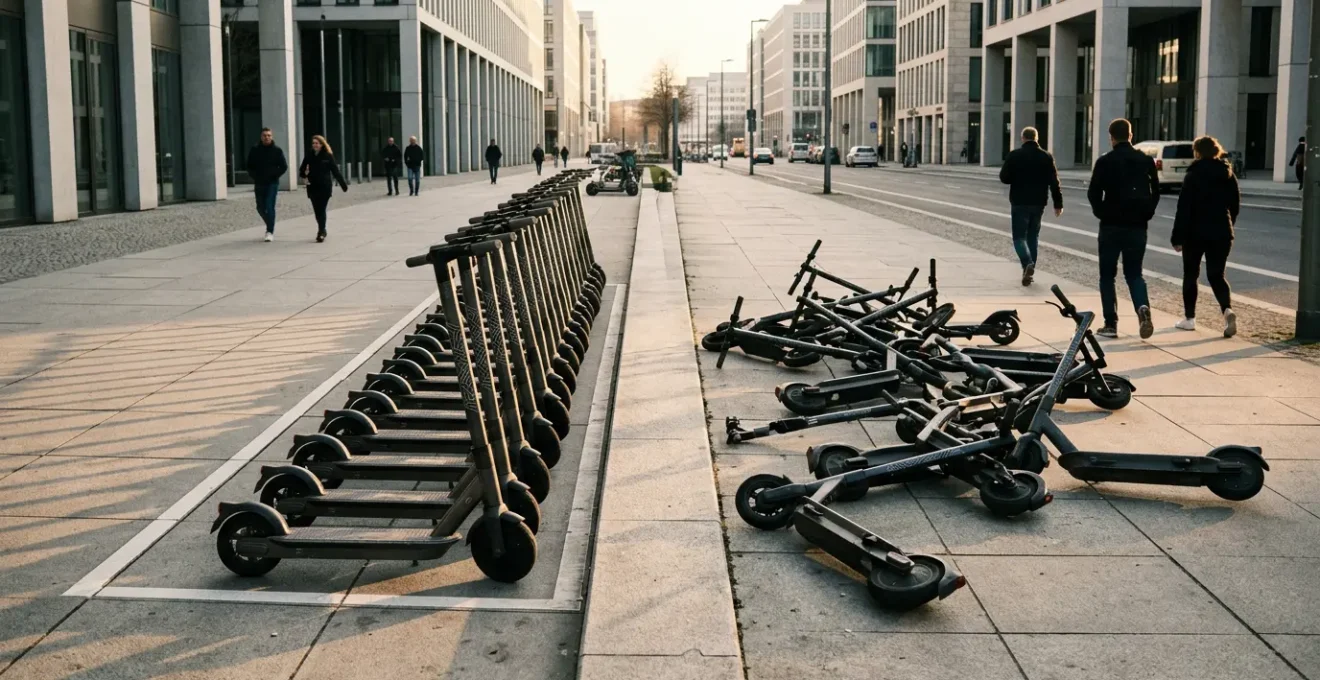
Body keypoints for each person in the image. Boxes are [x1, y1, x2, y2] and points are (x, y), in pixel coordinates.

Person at [1087, 118, 1158, 339]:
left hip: (1111, 226)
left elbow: (1093, 193)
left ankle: (1111, 323)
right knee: (1134, 273)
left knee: (1107, 276)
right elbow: (1156, 191)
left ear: (1111, 137)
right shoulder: (1145, 160)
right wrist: (1146, 213)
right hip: (1137, 226)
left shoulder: (1105, 161)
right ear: (1131, 135)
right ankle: (1142, 307)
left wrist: (1103, 212)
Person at [1171, 135, 1240, 338]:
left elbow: (1183, 208)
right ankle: (1227, 310)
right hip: (1221, 231)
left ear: (1197, 152)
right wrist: (1228, 224)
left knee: (1191, 274)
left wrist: (1177, 237)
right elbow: (1235, 205)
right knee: (1217, 275)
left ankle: (1190, 319)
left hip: (1195, 232)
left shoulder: (1193, 175)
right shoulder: (1227, 173)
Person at [999, 126, 1063, 286]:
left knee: (1019, 237)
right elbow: (1054, 182)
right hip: (1038, 202)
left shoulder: (1014, 156)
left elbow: (1004, 178)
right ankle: (1029, 270)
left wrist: (1016, 176)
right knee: (1033, 236)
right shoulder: (1046, 157)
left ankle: (1027, 263)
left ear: (1023, 138)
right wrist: (1058, 203)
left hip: (1019, 201)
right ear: (1036, 138)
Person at [298, 135, 349, 243]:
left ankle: (321, 231)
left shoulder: (327, 156)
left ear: (321, 144)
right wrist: (304, 174)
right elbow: (302, 170)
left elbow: (335, 171)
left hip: (324, 186)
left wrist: (343, 184)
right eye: (313, 143)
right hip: (312, 186)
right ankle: (322, 229)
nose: (315, 145)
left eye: (317, 143)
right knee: (317, 210)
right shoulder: (309, 155)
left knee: (321, 208)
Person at [246, 128, 288, 242]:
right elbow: (249, 165)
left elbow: (284, 166)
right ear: (261, 137)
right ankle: (270, 222)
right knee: (260, 207)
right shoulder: (255, 150)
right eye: (265, 135)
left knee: (269, 206)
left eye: (269, 135)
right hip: (259, 182)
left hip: (272, 183)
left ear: (272, 136)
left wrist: (275, 175)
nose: (267, 137)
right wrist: (255, 176)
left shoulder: (277, 150)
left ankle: (270, 231)